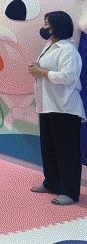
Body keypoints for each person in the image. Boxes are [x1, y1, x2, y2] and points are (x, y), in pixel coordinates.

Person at [29, 11, 86, 205]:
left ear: (57, 27)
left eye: (47, 24)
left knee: (67, 151)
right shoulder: (49, 47)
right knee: (49, 149)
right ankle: (51, 183)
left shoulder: (68, 50)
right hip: (47, 105)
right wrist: (38, 70)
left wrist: (42, 72)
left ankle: (70, 192)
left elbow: (68, 76)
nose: (44, 28)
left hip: (64, 108)